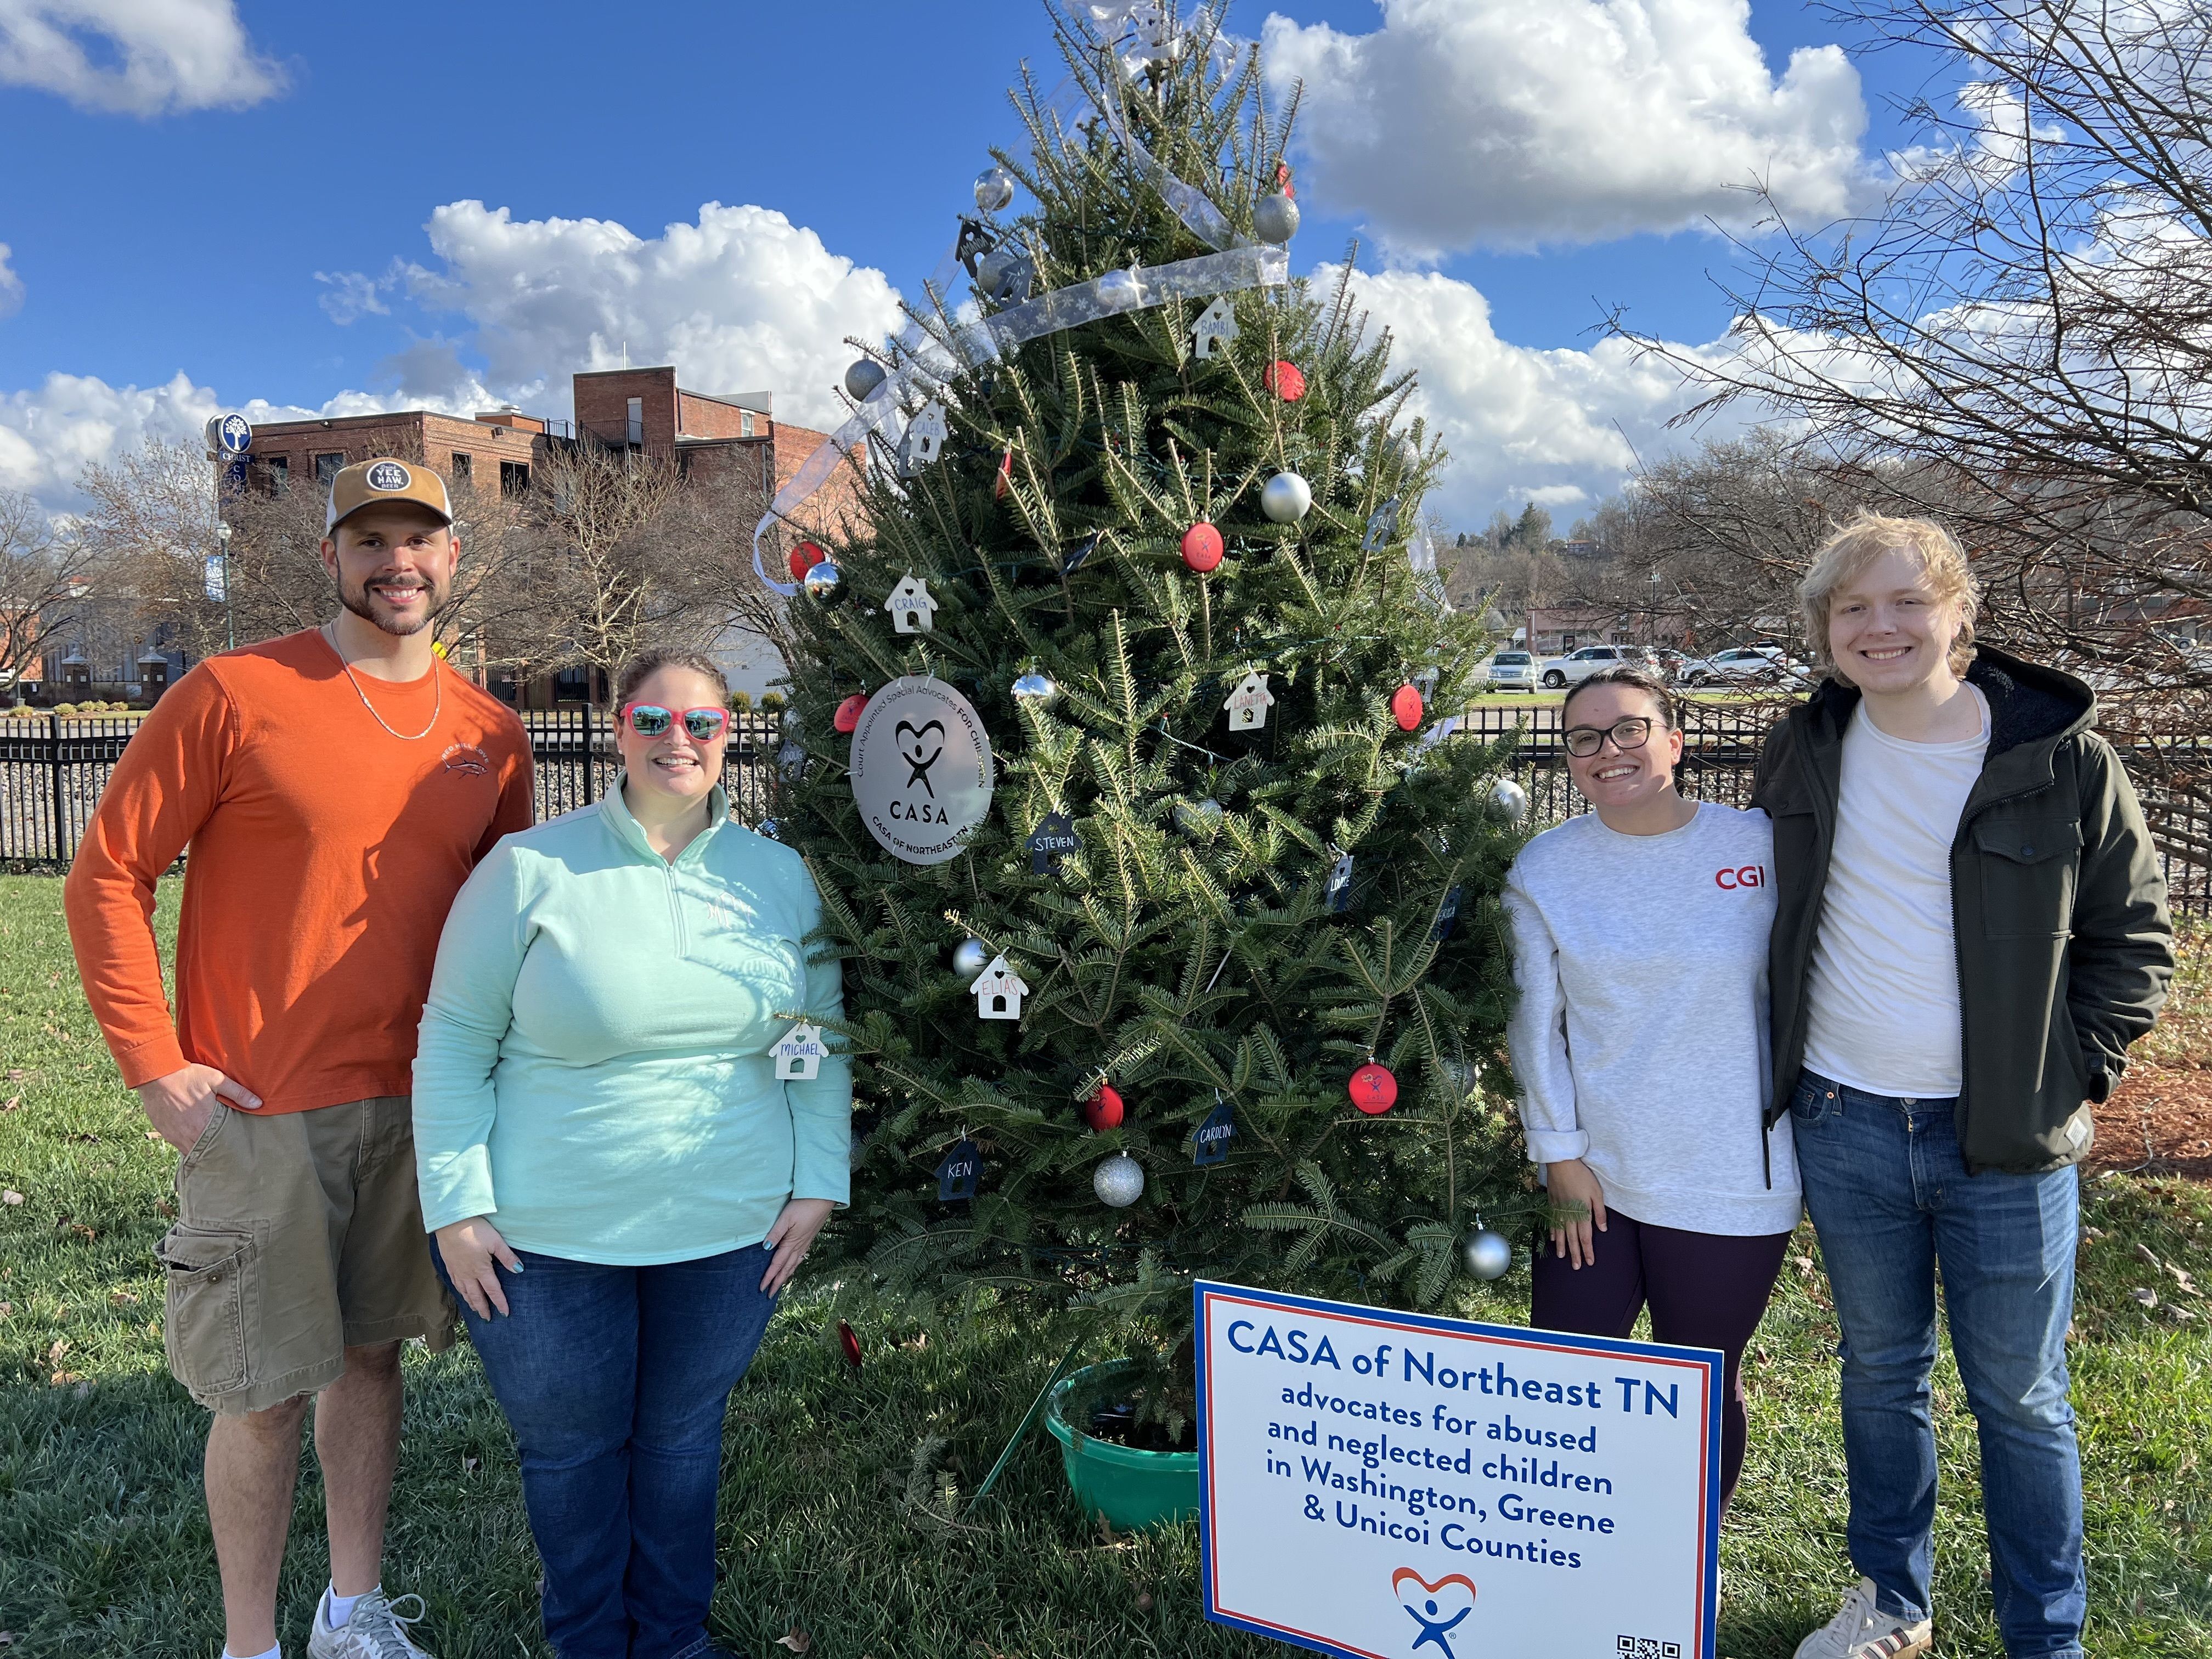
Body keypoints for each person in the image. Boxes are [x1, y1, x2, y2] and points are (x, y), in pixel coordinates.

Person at [65, 457, 533, 1659]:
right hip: (262, 1108)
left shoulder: (492, 732)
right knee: (265, 1392)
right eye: (370, 541)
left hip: (416, 1104)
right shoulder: (233, 693)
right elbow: (108, 874)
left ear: (452, 559)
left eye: (418, 540)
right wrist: (153, 1066)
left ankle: (353, 1612)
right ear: (331, 557)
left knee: (370, 1365)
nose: (396, 564)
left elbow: (514, 921)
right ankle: (249, 1644)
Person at [1753, 513, 2172, 1659]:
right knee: (1882, 1374)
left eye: (1905, 603)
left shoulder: (2061, 757)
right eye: (1853, 609)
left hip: (2005, 1140)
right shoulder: (1802, 750)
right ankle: (1891, 1605)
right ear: (1825, 631)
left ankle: (2048, 1635)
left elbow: (2132, 939)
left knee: (2021, 1400)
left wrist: (2071, 1076)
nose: (1879, 627)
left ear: (1959, 617)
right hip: (1845, 1121)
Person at [411, 647, 853, 1659]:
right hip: (544, 1235)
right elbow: (451, 1045)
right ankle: (588, 1642)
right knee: (572, 1454)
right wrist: (457, 1209)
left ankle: (672, 1639)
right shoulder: (530, 870)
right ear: (618, 731)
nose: (679, 742)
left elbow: (817, 1043)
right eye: (654, 721)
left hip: (731, 1226)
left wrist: (818, 1183)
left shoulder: (779, 879)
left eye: (703, 723)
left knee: (681, 1440)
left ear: (729, 734)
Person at [1503, 665, 1801, 1517]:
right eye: (1585, 738)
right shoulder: (1545, 868)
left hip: (1733, 1177)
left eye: (1630, 729)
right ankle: (1580, 1543)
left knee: (1701, 1381)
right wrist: (1558, 1156)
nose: (1609, 751)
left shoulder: (1757, 846)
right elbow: (1534, 1026)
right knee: (1570, 1372)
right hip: (1596, 1175)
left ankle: (1683, 1562)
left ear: (1674, 740)